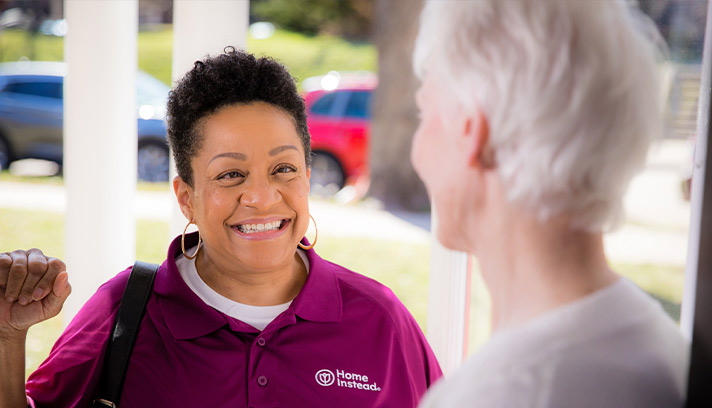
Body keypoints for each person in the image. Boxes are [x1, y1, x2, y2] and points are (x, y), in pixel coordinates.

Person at [0, 48, 442, 408]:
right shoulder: (126, 310)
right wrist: (6, 336)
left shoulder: (380, 321)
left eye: (283, 168)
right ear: (186, 197)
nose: (262, 197)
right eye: (231, 175)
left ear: (307, 179)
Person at [411, 1, 688, 407]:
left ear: (471, 131)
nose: (417, 149)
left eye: (424, 111)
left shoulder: (505, 393)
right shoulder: (657, 342)